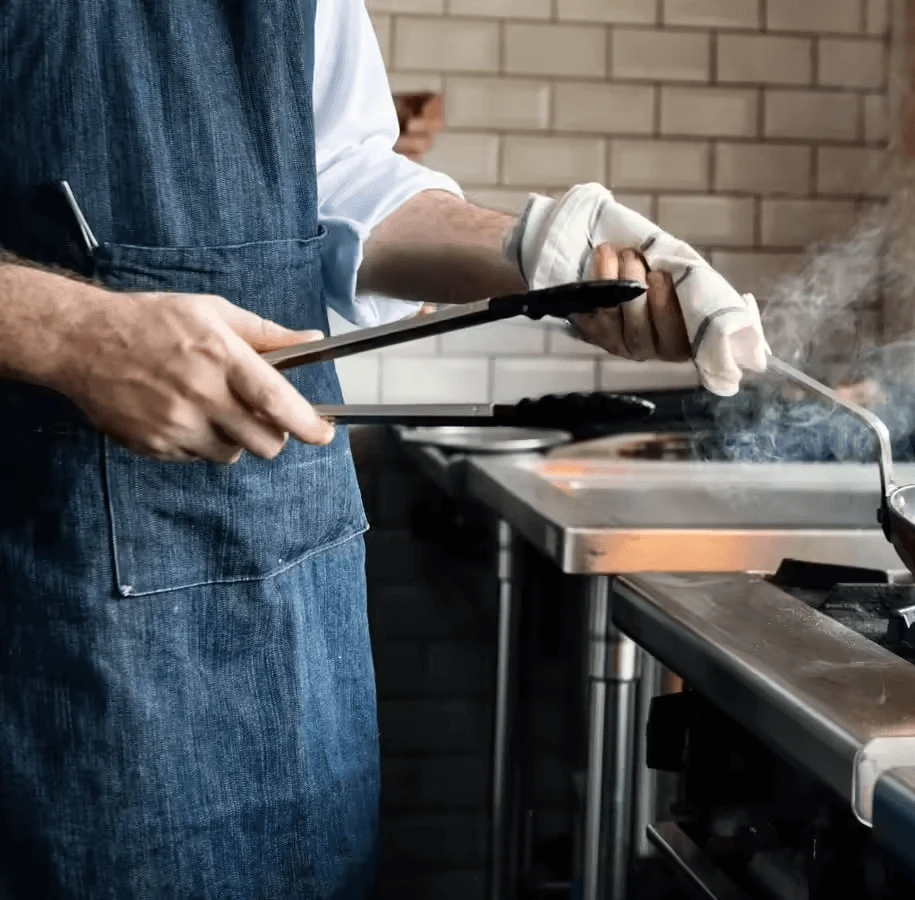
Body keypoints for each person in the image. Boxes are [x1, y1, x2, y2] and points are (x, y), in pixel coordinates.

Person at [0, 1, 766, 896]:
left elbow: (337, 176)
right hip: (55, 617)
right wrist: (64, 332)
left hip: (293, 591)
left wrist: (536, 249)